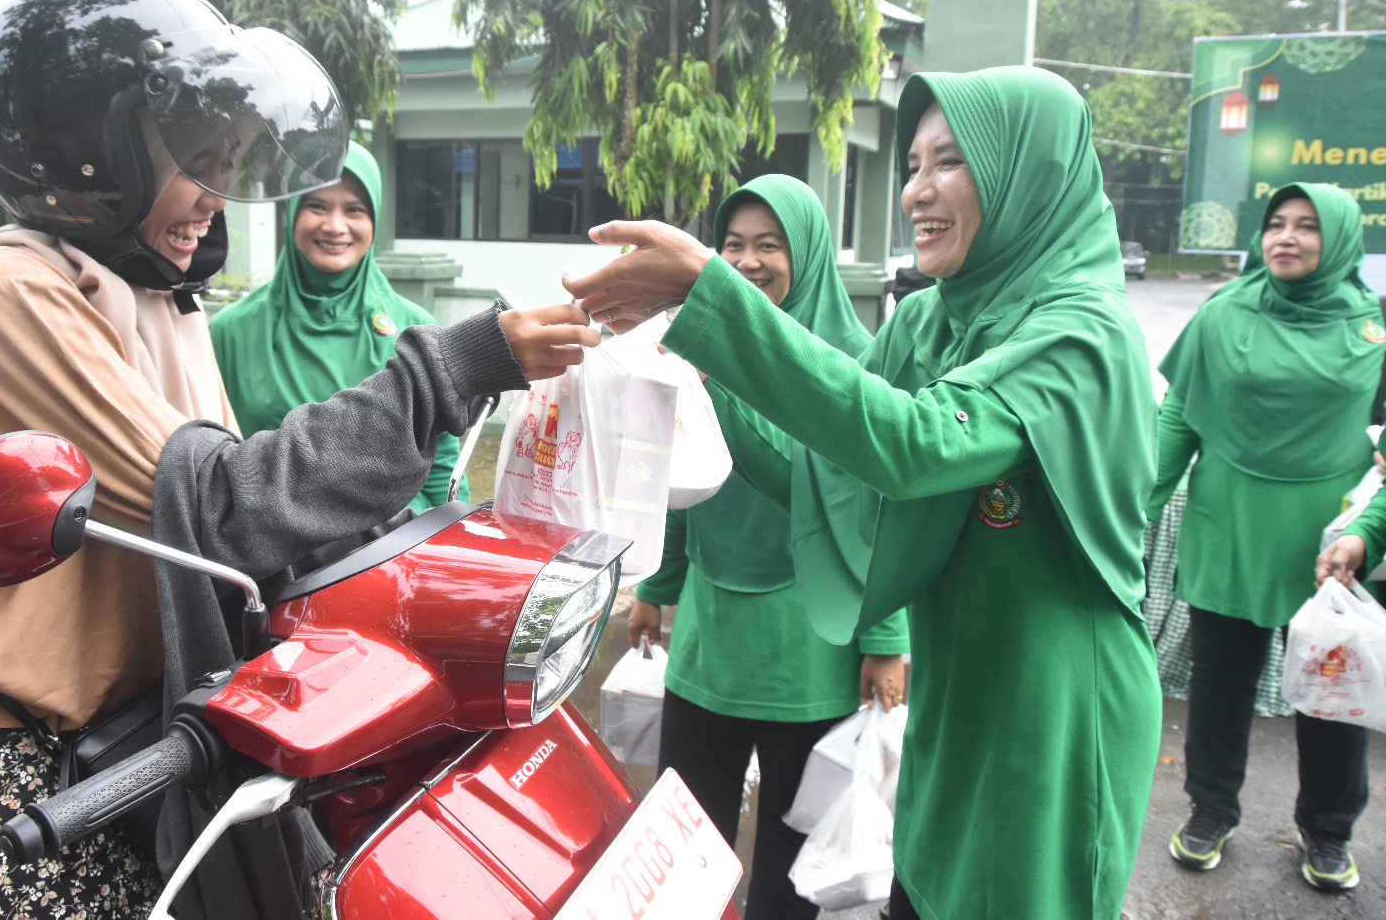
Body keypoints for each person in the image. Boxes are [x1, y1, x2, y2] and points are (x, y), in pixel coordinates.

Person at [0, 0, 595, 920]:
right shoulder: (3, 294)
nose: (221, 194)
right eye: (201, 156)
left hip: (147, 733)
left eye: (232, 160)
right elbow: (228, 507)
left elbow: (267, 524)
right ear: (90, 152)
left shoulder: (164, 296)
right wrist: (461, 361)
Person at [564, 66, 1161, 920]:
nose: (917, 189)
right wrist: (702, 359)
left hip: (1055, 699)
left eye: (950, 162)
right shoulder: (930, 320)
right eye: (913, 164)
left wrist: (712, 294)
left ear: (1030, 174)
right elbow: (818, 470)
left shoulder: (1080, 331)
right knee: (918, 897)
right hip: (958, 687)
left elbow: (911, 446)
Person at [626, 175, 906, 920]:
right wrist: (658, 587)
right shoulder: (707, 345)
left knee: (787, 868)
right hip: (712, 638)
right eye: (733, 246)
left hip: (810, 640)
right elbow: (687, 476)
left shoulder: (858, 360)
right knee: (686, 835)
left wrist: (885, 638)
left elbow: (876, 515)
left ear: (806, 253)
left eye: (768, 245)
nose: (747, 262)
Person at [1152, 183, 1377, 891]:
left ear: (1337, 239)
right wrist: (1134, 504)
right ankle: (1210, 810)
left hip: (1330, 543)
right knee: (1222, 682)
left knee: (1328, 689)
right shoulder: (1224, 314)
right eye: (1276, 224)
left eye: (1307, 227)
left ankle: (1329, 831)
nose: (1286, 237)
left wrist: (1369, 533)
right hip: (1229, 524)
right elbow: (1180, 418)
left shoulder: (1375, 331)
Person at [210, 141, 465, 511]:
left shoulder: (415, 329)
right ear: (292, 211)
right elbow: (210, 466)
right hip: (270, 554)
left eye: (355, 210)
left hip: (391, 551)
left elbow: (444, 472)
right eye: (316, 205)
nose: (335, 226)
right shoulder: (232, 331)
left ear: (374, 218)